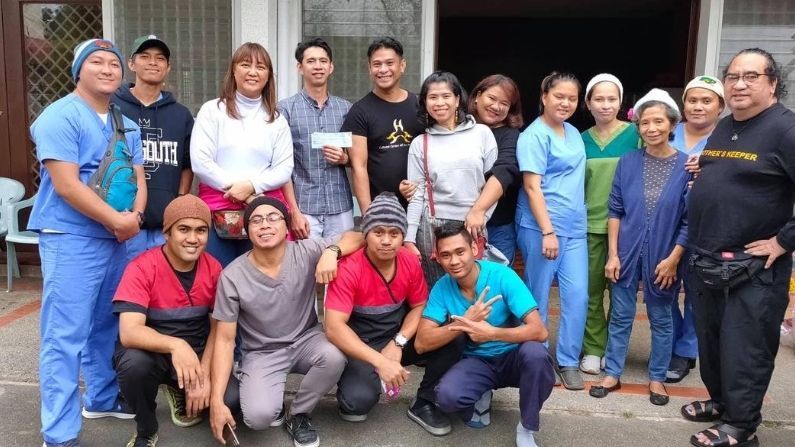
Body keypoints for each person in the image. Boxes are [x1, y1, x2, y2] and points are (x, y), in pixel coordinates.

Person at [29, 38, 146, 447]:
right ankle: (59, 435)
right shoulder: (59, 116)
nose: (108, 69)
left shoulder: (124, 122)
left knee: (106, 325)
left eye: (114, 63)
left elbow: (137, 178)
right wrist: (118, 220)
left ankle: (101, 396)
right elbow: (65, 185)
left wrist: (135, 217)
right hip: (72, 237)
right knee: (64, 336)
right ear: (78, 71)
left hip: (118, 238)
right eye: (96, 62)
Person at [686, 48, 795, 447]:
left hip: (754, 267)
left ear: (772, 83)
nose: (739, 84)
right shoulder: (726, 125)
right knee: (712, 343)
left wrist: (784, 242)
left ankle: (742, 425)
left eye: (751, 76)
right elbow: (738, 171)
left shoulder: (786, 129)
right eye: (732, 76)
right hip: (710, 260)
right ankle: (722, 403)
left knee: (743, 348)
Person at [209, 196, 364, 447]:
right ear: (247, 230)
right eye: (256, 220)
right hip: (262, 352)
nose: (265, 225)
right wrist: (217, 401)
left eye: (273, 218)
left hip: (306, 340)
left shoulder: (306, 250)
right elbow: (225, 340)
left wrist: (331, 252)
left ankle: (299, 414)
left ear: (286, 225)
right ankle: (268, 397)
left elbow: (357, 237)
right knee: (258, 418)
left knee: (335, 356)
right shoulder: (232, 276)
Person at [325, 193, 462, 436]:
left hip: (397, 336)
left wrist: (398, 343)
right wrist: (380, 362)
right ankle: (362, 377)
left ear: (402, 237)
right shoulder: (348, 267)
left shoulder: (409, 261)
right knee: (355, 406)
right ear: (365, 235)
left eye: (394, 233)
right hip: (361, 343)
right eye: (378, 232)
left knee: (453, 334)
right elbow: (334, 328)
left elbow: (419, 306)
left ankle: (425, 401)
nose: (386, 241)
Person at [588, 89, 689, 407]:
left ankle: (657, 377)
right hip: (626, 252)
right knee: (620, 314)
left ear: (672, 125)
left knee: (661, 316)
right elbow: (615, 209)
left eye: (659, 121)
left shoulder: (688, 166)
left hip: (665, 256)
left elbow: (689, 220)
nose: (652, 128)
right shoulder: (628, 161)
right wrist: (614, 254)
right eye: (645, 122)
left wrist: (674, 259)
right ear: (638, 127)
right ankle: (613, 372)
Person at [416, 223, 555, 447]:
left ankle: (527, 427)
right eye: (446, 255)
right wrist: (465, 323)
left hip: (513, 357)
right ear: (438, 258)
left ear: (474, 248)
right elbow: (422, 342)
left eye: (460, 252)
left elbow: (539, 331)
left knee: (537, 356)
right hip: (477, 361)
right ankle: (482, 391)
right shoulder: (442, 287)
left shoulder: (502, 276)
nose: (454, 261)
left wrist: (492, 333)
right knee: (447, 397)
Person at [113, 195, 236, 447]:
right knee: (133, 365)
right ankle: (146, 429)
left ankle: (180, 388)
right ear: (167, 232)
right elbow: (129, 332)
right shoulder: (141, 267)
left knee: (233, 400)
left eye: (201, 230)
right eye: (184, 229)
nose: (193, 239)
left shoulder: (214, 269)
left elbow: (218, 329)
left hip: (200, 350)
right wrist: (176, 346)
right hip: (155, 353)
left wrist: (203, 376)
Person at [515, 72, 588, 390]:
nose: (566, 103)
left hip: (574, 228)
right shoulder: (533, 135)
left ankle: (569, 360)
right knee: (538, 297)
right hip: (540, 228)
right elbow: (532, 187)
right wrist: (547, 231)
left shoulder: (573, 131)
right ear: (544, 96)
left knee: (577, 295)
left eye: (572, 98)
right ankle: (538, 359)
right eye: (559, 96)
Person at [191, 42, 294, 267]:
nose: (253, 72)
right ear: (234, 71)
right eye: (246, 65)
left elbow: (284, 168)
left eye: (261, 67)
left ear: (268, 75)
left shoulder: (276, 120)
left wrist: (252, 186)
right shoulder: (212, 111)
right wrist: (242, 193)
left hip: (264, 214)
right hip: (217, 211)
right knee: (217, 279)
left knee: (263, 279)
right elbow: (200, 163)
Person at [403, 71, 498, 287]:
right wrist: (409, 237)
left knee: (475, 289)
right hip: (432, 227)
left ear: (457, 99)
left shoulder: (482, 134)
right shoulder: (420, 143)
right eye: (432, 97)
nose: (439, 103)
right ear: (425, 103)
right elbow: (417, 195)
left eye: (446, 96)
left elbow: (494, 184)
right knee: (438, 291)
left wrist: (482, 218)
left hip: (472, 224)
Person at [579, 74, 640, 375]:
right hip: (589, 227)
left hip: (628, 229)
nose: (605, 105)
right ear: (588, 103)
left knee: (621, 294)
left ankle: (615, 351)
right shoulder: (579, 140)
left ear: (621, 102)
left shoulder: (637, 135)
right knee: (590, 292)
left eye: (612, 99)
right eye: (599, 99)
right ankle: (593, 347)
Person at [114, 35, 194, 259]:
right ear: (131, 64)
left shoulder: (180, 115)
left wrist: (179, 199)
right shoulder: (113, 107)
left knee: (162, 288)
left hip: (164, 224)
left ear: (168, 68)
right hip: (122, 221)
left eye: (160, 58)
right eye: (145, 56)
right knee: (125, 288)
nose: (152, 62)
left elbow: (187, 163)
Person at [666, 75, 724, 383]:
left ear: (720, 106)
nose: (698, 107)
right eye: (692, 100)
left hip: (704, 227)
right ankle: (670, 342)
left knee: (697, 291)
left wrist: (712, 165)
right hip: (665, 224)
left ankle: (686, 351)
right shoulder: (667, 130)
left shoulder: (726, 139)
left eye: (706, 101)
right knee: (662, 287)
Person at [278, 38, 354, 240]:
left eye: (323, 61)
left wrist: (344, 159)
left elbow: (359, 157)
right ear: (300, 67)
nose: (318, 66)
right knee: (304, 267)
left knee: (341, 265)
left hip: (340, 206)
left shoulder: (346, 109)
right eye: (311, 61)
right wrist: (293, 211)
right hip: (304, 207)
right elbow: (281, 165)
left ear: (331, 67)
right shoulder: (285, 109)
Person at [341, 36, 424, 212]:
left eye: (389, 63)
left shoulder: (420, 106)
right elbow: (359, 167)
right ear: (369, 68)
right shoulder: (360, 111)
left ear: (402, 66)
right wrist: (367, 213)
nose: (383, 69)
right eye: (377, 64)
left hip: (422, 205)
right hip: (382, 209)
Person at [466, 74, 524, 264]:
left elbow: (504, 171)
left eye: (505, 103)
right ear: (477, 96)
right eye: (492, 98)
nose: (496, 107)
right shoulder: (460, 129)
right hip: (458, 223)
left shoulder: (511, 135)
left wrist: (478, 210)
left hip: (499, 227)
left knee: (496, 284)